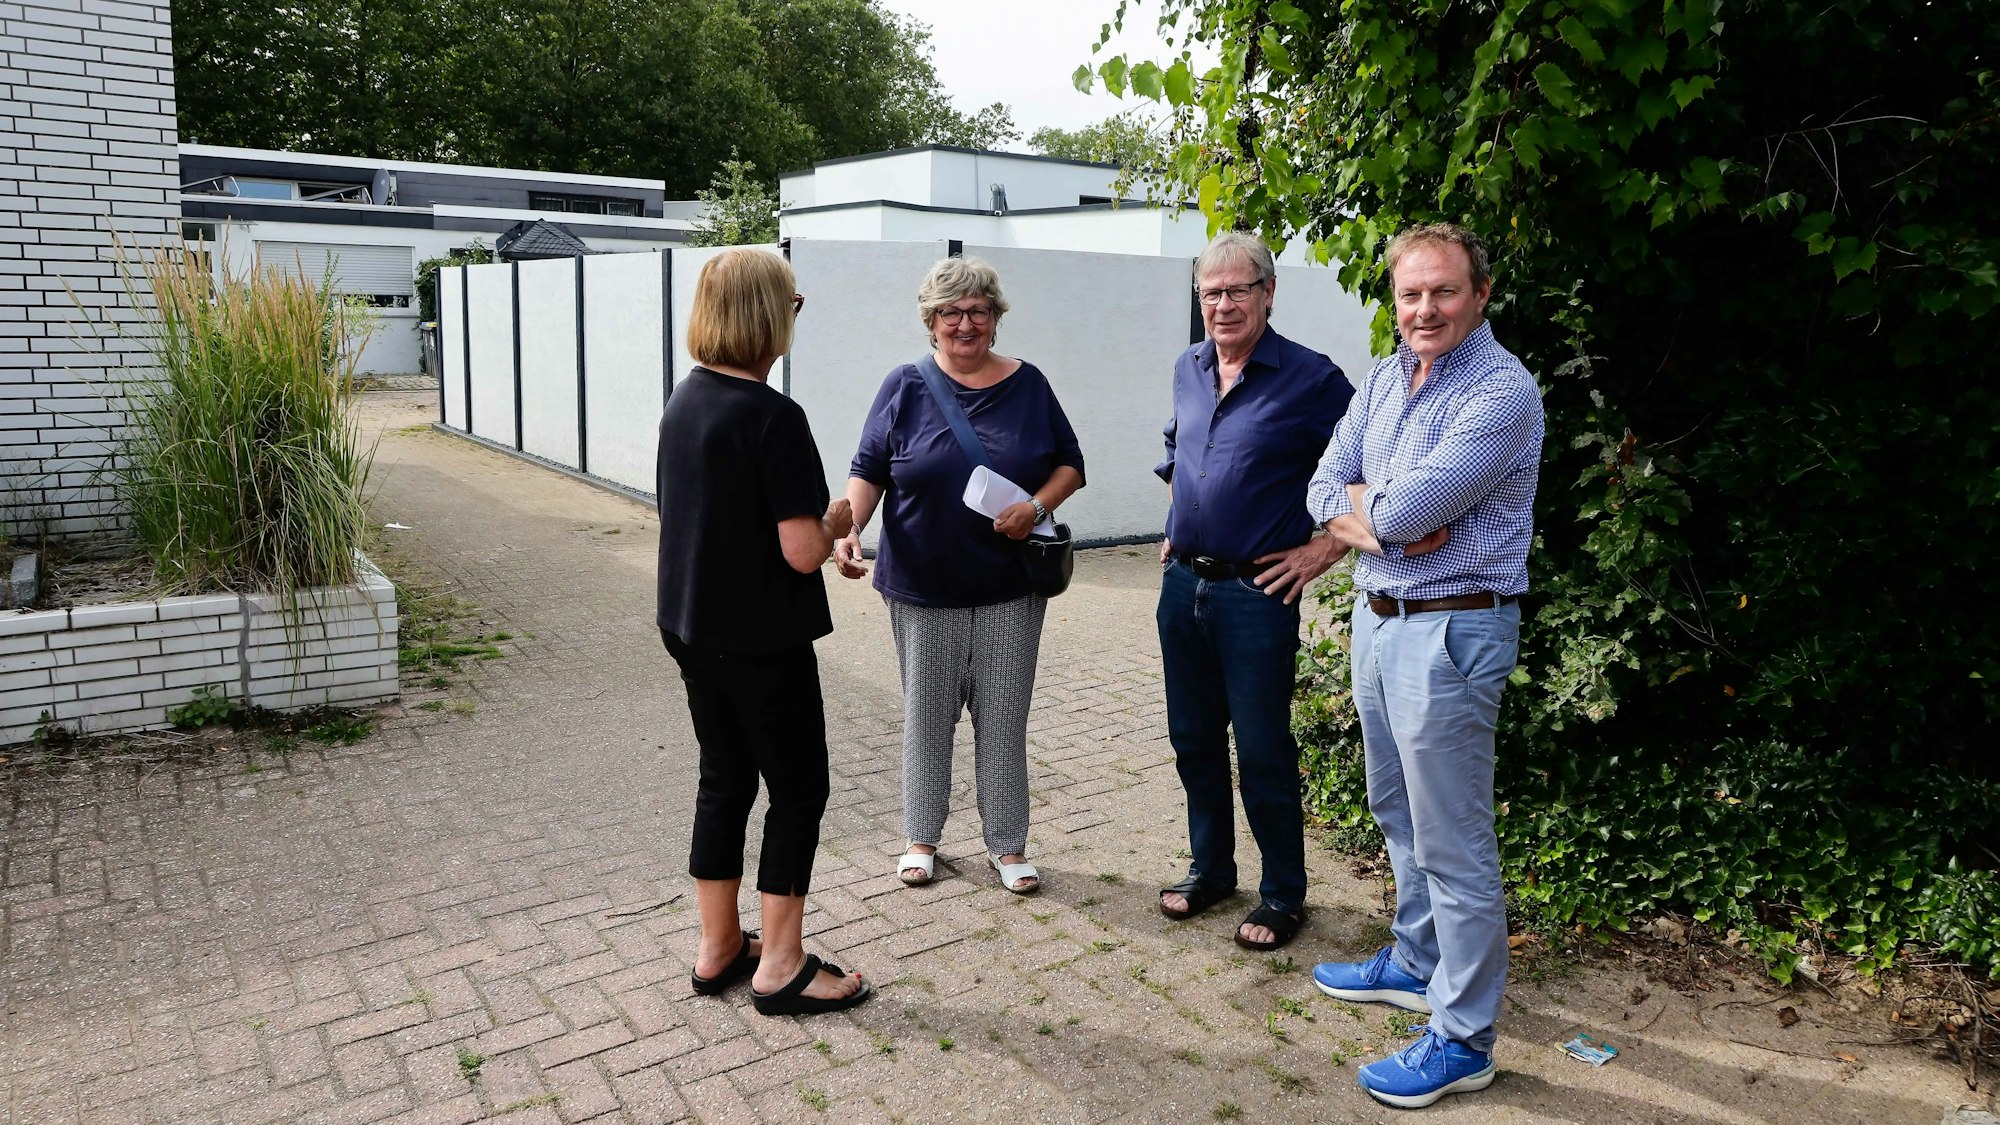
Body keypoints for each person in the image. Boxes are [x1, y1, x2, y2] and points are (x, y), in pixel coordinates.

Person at [1305, 222, 1543, 1108]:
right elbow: (1325, 482)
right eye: (1411, 293)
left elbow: (1405, 510)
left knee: (1454, 842)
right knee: (1393, 805)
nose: (1425, 308)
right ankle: (1415, 960)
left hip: (1452, 632)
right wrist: (1377, 512)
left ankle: (1464, 1035)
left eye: (1443, 291)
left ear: (1480, 294)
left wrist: (1379, 513)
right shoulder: (1384, 374)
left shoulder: (1502, 392)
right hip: (1379, 618)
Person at [654, 247, 870, 1017]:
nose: (794, 315)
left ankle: (718, 947)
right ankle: (781, 963)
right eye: (792, 303)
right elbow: (802, 550)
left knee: (724, 779)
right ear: (766, 315)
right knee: (799, 788)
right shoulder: (775, 418)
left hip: (690, 624)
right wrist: (837, 520)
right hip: (759, 637)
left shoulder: (686, 400)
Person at [833, 256, 1085, 896]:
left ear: (996, 319)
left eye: (978, 310)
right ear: (931, 321)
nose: (965, 323)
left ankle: (1008, 845)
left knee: (1004, 719)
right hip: (922, 592)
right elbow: (869, 469)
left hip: (1010, 592)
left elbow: (1070, 465)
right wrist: (850, 529)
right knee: (927, 719)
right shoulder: (904, 385)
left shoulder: (1030, 385)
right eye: (951, 312)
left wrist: (1036, 507)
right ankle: (922, 838)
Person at [1155, 231, 1354, 952]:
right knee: (1192, 739)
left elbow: (1369, 471)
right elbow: (1177, 450)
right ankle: (1211, 870)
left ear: (1269, 292)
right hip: (1183, 588)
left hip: (1256, 595)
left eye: (1239, 289)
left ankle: (1282, 893)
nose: (1224, 303)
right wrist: (1179, 518)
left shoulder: (1313, 379)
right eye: (1212, 291)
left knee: (1263, 746)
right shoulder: (1188, 366)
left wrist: (1325, 547)